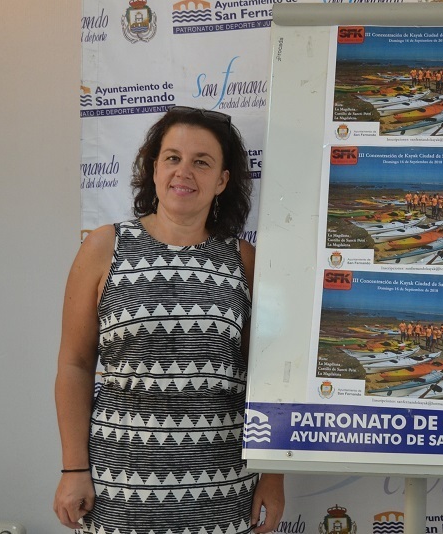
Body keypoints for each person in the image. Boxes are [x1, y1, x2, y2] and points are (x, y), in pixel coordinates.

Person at [53, 106, 285, 533]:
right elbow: (75, 364)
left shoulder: (244, 260)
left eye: (202, 162)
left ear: (222, 180)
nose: (184, 172)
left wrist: (273, 475)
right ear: (154, 168)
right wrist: (73, 469)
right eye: (173, 157)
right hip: (119, 487)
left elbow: (268, 378)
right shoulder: (104, 247)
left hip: (222, 490)